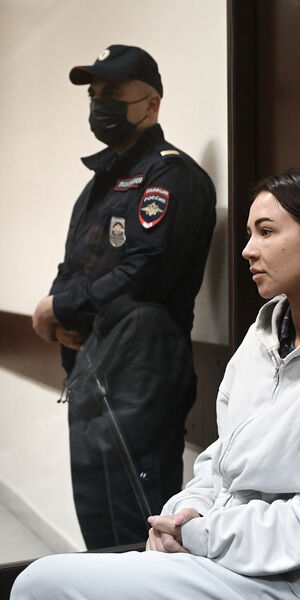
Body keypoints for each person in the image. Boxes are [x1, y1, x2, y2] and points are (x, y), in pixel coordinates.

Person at [14, 168, 300, 599]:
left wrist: (203, 533)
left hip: (292, 579)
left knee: (40, 583)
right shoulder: (261, 340)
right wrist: (182, 515)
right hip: (218, 554)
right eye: (248, 234)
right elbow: (218, 463)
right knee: (48, 580)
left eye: (266, 231)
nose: (248, 250)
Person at [30, 44, 216, 549]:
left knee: (138, 532)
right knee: (99, 529)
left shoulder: (169, 175)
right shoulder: (100, 184)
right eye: (94, 95)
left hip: (140, 374)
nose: (99, 104)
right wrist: (62, 317)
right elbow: (75, 267)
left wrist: (59, 308)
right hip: (91, 370)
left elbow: (146, 271)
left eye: (111, 93)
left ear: (151, 104)